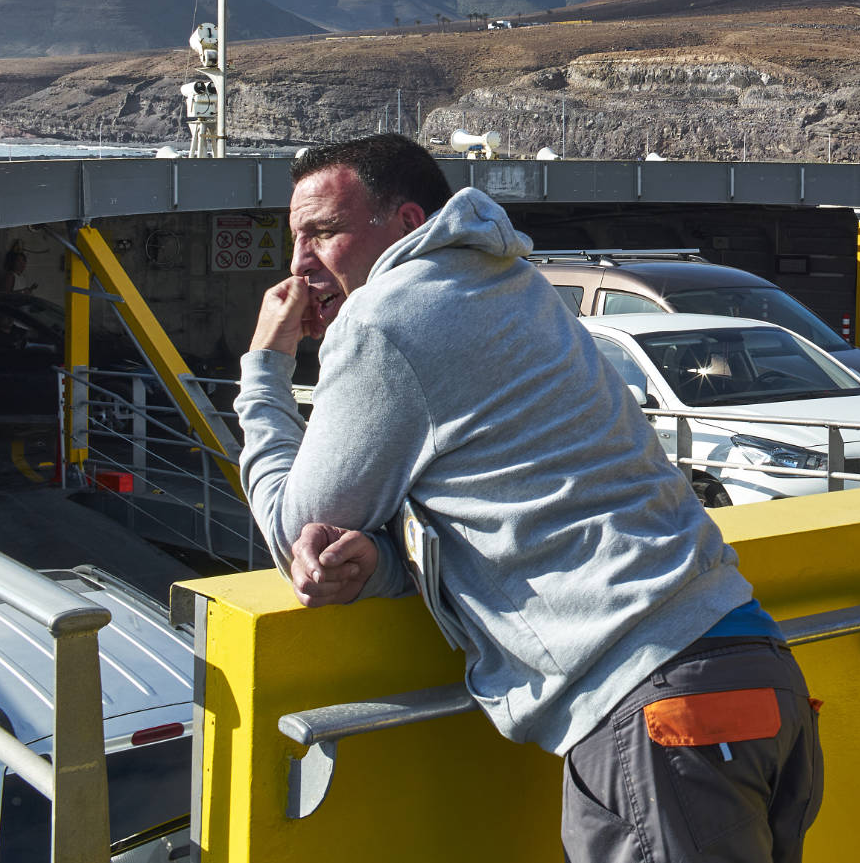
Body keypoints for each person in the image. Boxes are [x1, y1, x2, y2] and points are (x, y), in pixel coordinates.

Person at [234, 135, 823, 861]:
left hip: (657, 710)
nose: (299, 262)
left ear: (407, 220)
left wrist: (265, 368)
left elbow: (297, 527)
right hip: (753, 673)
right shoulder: (514, 286)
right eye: (294, 238)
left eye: (323, 231)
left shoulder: (384, 316)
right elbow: (515, 497)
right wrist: (388, 562)